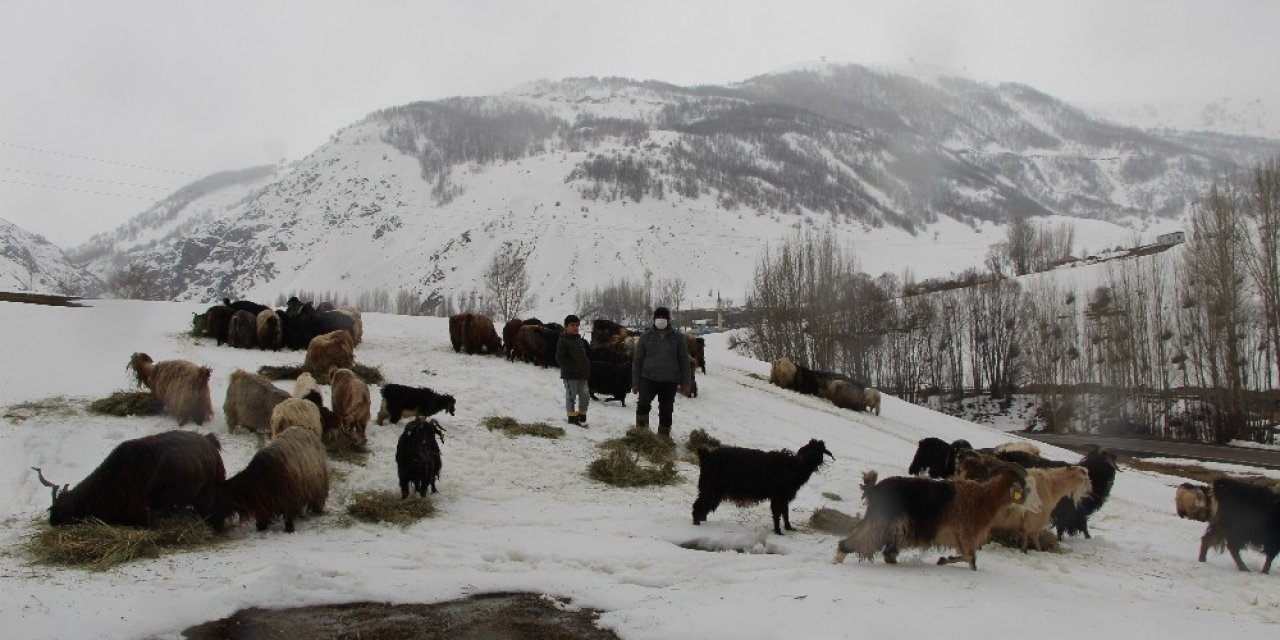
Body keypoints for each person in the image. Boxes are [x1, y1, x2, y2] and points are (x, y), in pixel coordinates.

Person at [631, 306, 691, 440]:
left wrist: (686, 382)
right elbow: (637, 360)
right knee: (643, 404)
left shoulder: (678, 338)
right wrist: (635, 382)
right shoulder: (646, 337)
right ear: (654, 319)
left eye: (664, 317)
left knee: (666, 409)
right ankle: (641, 433)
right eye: (659, 317)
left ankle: (663, 437)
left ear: (669, 320)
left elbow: (684, 361)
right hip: (648, 378)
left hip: (669, 381)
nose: (661, 320)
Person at [556, 314, 591, 426]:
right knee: (571, 396)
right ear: (566, 327)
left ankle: (582, 414)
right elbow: (560, 359)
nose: (575, 327)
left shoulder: (580, 340)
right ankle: (571, 417)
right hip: (570, 375)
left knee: (585, 396)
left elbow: (584, 356)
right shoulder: (563, 341)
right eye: (572, 325)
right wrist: (574, 369)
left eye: (577, 325)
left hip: (583, 375)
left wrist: (586, 367)